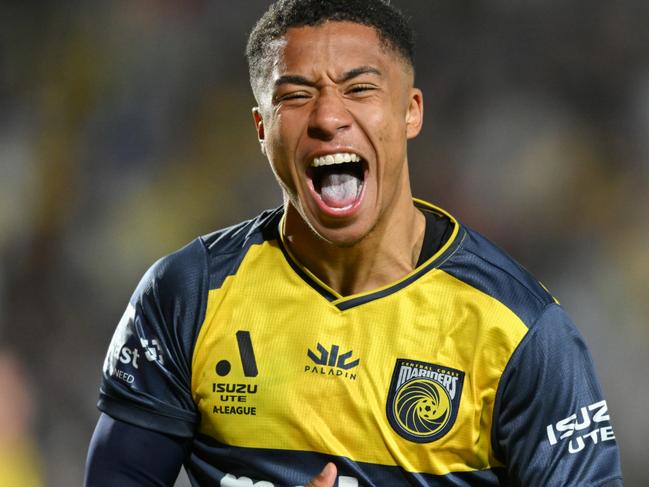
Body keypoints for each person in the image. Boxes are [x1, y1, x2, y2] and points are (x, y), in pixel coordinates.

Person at [84, 1, 623, 486]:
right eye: (295, 95)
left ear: (411, 111)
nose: (327, 117)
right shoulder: (188, 294)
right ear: (261, 128)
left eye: (359, 88)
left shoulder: (522, 332)